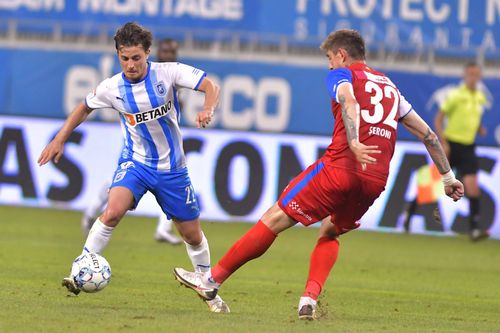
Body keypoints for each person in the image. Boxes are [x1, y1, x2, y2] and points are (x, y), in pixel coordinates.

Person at [173, 29, 464, 320]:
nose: (328, 65)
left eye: (329, 58)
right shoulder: (390, 87)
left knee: (274, 218)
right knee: (331, 230)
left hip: (340, 167)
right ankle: (309, 299)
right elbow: (428, 135)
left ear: (342, 55)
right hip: (375, 180)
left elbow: (349, 101)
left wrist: (353, 142)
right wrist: (448, 178)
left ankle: (210, 281)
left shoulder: (342, 75)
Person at [38, 22, 229, 313]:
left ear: (147, 54)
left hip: (172, 168)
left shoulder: (168, 73)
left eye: (136, 58)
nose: (130, 65)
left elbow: (209, 85)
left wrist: (208, 107)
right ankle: (81, 271)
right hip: (136, 162)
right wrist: (59, 139)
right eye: (124, 58)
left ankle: (211, 292)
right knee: (112, 211)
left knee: (191, 234)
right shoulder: (112, 87)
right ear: (118, 56)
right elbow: (84, 107)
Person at [81, 38, 185, 245]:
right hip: (138, 144)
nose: (168, 55)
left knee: (171, 183)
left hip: (164, 144)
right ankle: (92, 211)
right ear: (156, 53)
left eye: (172, 52)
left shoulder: (171, 74)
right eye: (165, 51)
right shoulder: (145, 72)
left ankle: (163, 228)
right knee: (118, 184)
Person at [434, 62, 489, 241]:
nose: (473, 78)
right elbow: (438, 118)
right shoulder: (456, 95)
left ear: (479, 77)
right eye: (470, 74)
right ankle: (410, 212)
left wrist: (479, 127)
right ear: (465, 75)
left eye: (476, 74)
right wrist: (443, 142)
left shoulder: (480, 96)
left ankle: (474, 229)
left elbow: (472, 116)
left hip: (468, 147)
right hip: (452, 144)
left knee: (472, 185)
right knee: (435, 183)